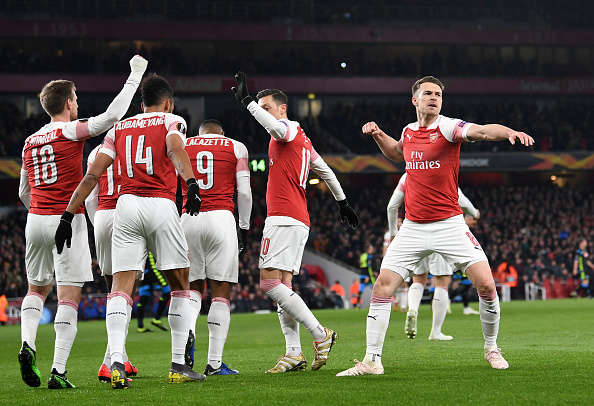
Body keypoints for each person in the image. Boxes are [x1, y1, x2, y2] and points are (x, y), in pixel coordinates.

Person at [337, 75, 534, 376]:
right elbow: (398, 153)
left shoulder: (448, 127)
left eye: (438, 94)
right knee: (382, 286)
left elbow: (482, 131)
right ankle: (372, 361)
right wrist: (377, 134)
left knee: (486, 285)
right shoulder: (408, 131)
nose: (434, 98)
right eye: (428, 93)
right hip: (413, 227)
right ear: (414, 100)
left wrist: (509, 132)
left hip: (450, 225)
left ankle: (491, 348)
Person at [54, 73, 205, 388]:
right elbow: (175, 149)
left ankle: (116, 361)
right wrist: (191, 182)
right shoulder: (172, 121)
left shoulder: (118, 128)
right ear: (168, 103)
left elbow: (92, 176)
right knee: (180, 284)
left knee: (120, 289)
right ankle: (178, 364)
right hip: (160, 204)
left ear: (142, 103)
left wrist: (67, 215)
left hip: (124, 207)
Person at [17, 55, 148, 389]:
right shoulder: (70, 131)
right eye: (75, 99)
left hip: (35, 221)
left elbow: (23, 192)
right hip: (66, 219)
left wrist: (40, 210)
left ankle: (28, 343)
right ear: (68, 103)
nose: (77, 104)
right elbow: (113, 116)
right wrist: (134, 76)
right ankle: (58, 371)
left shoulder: (29, 141)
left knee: (36, 289)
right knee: (68, 298)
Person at [232, 71, 359, 373]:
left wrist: (248, 102)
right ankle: (293, 353)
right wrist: (342, 202)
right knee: (284, 286)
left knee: (268, 282)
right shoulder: (303, 140)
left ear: (282, 108)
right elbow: (325, 171)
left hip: (284, 217)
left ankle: (320, 334)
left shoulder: (288, 129)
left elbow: (276, 128)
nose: (264, 113)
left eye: (267, 108)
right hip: (296, 218)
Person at [180, 119, 252, 376]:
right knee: (221, 290)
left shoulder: (183, 144)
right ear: (222, 132)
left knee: (192, 288)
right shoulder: (235, 146)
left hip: (188, 218)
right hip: (221, 217)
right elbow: (244, 192)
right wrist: (243, 227)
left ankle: (188, 331)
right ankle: (214, 363)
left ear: (199, 133)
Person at [85, 104, 142, 383]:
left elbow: (90, 196)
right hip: (126, 216)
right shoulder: (134, 146)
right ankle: (110, 361)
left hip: (103, 216)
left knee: (113, 290)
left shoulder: (95, 153)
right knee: (127, 289)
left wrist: (98, 224)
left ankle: (121, 357)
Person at [386, 172, 480, 341]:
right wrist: (474, 212)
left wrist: (393, 234)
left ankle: (413, 309)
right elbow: (462, 201)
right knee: (442, 281)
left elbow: (392, 206)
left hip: (415, 232)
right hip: (441, 232)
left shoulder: (407, 176)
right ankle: (435, 332)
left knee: (418, 279)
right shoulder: (443, 172)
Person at [136, 252, 171, 333]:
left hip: (144, 271)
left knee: (143, 297)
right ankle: (157, 319)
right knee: (167, 291)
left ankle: (140, 326)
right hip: (152, 268)